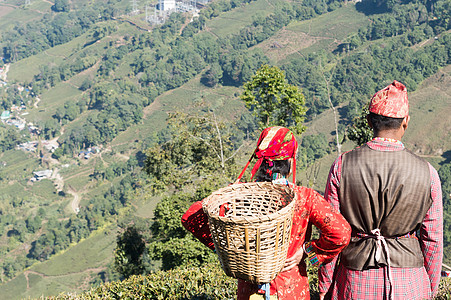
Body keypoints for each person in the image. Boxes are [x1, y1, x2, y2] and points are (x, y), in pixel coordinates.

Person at [182, 126, 351, 299]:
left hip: (249, 290)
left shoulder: (239, 194)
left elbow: (191, 216)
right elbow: (342, 234)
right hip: (291, 290)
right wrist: (308, 252)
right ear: (290, 162)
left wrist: (227, 248)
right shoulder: (304, 197)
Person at [318, 80, 443, 300]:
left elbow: (332, 232)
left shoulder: (342, 165)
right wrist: (429, 287)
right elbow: (432, 240)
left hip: (355, 282)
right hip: (410, 284)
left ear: (369, 122)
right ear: (406, 122)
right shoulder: (427, 173)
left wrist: (326, 286)